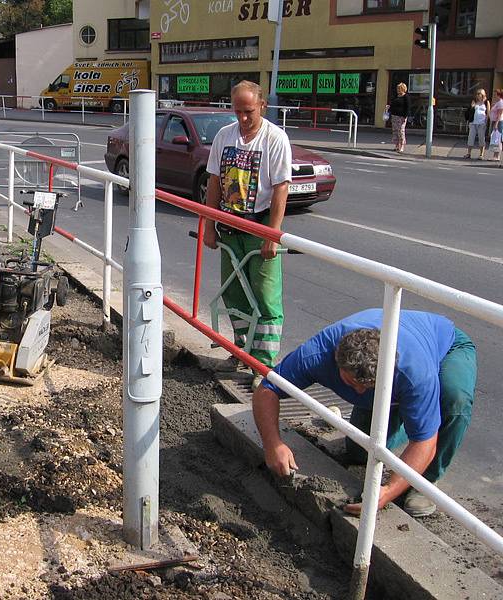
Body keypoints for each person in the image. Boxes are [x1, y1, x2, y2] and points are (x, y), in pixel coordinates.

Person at [252, 309, 476, 518]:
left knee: (454, 398)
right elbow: (267, 389)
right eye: (351, 382)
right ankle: (407, 417)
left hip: (448, 347)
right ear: (337, 361)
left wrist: (388, 492)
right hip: (395, 368)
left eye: (367, 386)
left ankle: (426, 480)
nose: (359, 391)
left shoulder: (415, 374)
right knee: (360, 453)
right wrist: (273, 444)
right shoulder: (317, 354)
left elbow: (425, 441)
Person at [204, 81, 292, 390]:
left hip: (259, 224)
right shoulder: (224, 137)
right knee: (234, 291)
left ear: (263, 106)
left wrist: (273, 233)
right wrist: (209, 224)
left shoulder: (275, 139)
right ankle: (241, 349)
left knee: (265, 296)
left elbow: (281, 187)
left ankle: (263, 364)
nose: (242, 118)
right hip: (230, 223)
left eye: (249, 112)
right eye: (237, 111)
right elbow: (214, 181)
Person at [465, 89, 490, 160]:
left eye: (480, 94)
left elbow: (488, 113)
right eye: (477, 94)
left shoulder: (486, 102)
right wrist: (472, 107)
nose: (478, 95)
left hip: (481, 123)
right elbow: (469, 112)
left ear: (483, 95)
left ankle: (481, 154)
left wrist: (486, 122)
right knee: (471, 138)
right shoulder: (474, 102)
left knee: (481, 138)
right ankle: (469, 153)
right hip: (473, 123)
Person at [386, 82, 411, 153]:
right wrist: (389, 107)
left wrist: (405, 116)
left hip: (401, 116)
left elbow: (408, 107)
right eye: (397, 88)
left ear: (403, 89)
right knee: (395, 131)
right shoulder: (396, 96)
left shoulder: (406, 97)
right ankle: (397, 145)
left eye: (399, 88)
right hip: (394, 116)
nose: (397, 90)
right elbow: (393, 104)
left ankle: (402, 145)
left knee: (401, 131)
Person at [489, 88, 503, 163]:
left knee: (497, 139)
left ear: (498, 95)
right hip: (495, 121)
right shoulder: (498, 102)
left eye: (495, 94)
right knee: (496, 139)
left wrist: (496, 123)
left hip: (498, 122)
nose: (494, 95)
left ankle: (496, 156)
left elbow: (499, 114)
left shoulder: (501, 102)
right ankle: (495, 156)